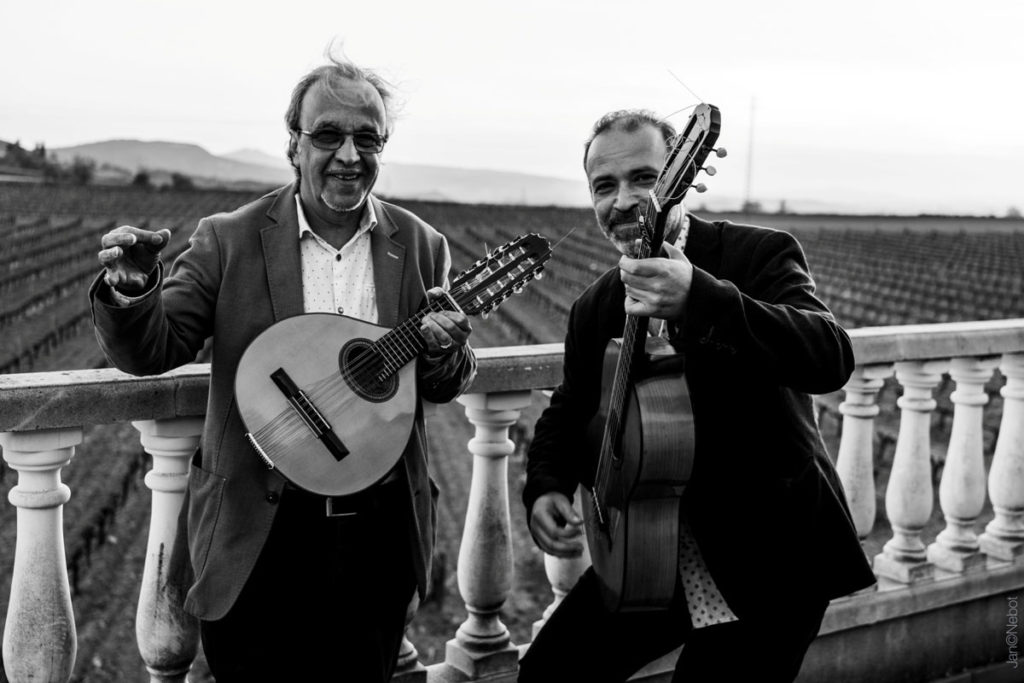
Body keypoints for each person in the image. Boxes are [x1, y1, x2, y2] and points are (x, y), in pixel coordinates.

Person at [90, 55, 476, 682]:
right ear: (293, 144)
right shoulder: (229, 239)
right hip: (256, 536)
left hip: (375, 541)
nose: (349, 155)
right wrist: (132, 294)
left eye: (367, 138)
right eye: (328, 135)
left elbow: (437, 381)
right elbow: (151, 353)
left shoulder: (422, 245)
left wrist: (445, 351)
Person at [519, 109, 876, 683]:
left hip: (770, 556)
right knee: (549, 671)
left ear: (679, 179)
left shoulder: (758, 254)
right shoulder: (595, 306)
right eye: (604, 186)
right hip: (647, 550)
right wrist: (544, 486)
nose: (624, 199)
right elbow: (571, 406)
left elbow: (829, 356)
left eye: (643, 178)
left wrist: (701, 299)